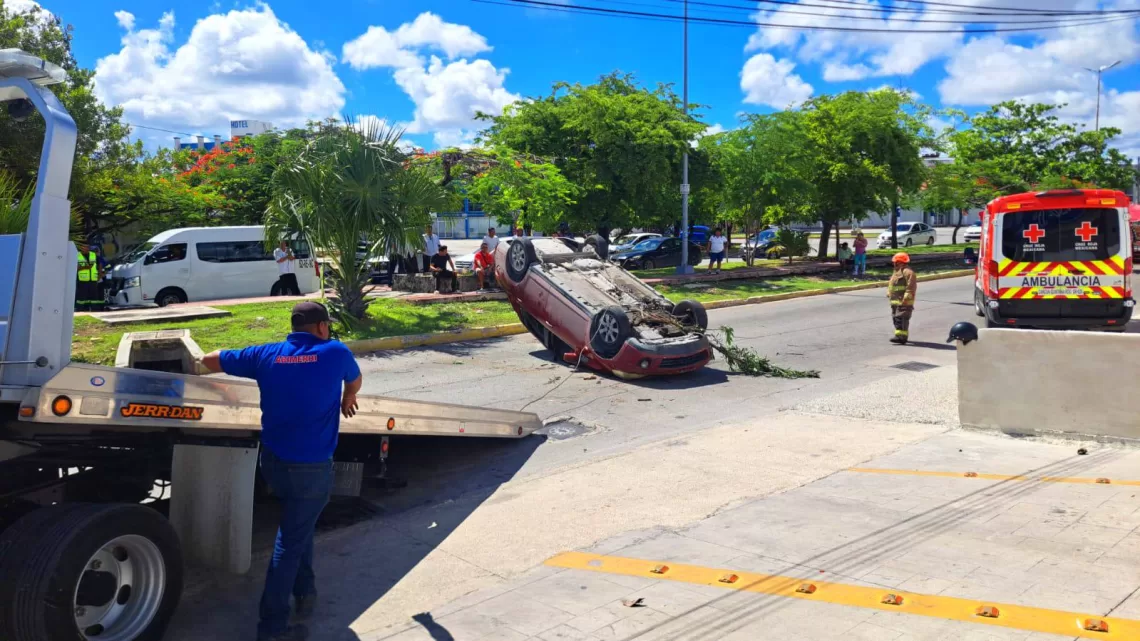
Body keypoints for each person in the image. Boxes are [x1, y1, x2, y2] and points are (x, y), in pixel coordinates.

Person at [199, 302, 363, 641]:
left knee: (298, 526)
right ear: (320, 328)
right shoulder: (334, 352)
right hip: (311, 467)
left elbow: (210, 359)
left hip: (273, 463)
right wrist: (348, 397)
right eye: (327, 326)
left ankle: (306, 592)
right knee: (290, 540)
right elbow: (356, 379)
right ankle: (272, 627)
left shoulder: (266, 354)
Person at [888, 252, 917, 344]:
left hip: (904, 301)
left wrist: (907, 297)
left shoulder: (908, 272)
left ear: (900, 262)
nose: (894, 263)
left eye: (896, 262)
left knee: (901, 318)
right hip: (896, 301)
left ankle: (901, 337)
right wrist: (889, 292)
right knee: (896, 319)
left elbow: (911, 286)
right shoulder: (896, 271)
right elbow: (892, 285)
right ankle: (900, 336)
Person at [75, 243, 100, 310]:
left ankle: (95, 310)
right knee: (81, 297)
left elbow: (99, 266)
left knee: (94, 297)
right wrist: (85, 267)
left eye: (87, 247)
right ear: (80, 248)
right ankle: (80, 310)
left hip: (93, 280)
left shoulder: (93, 255)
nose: (86, 248)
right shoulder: (77, 255)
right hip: (82, 280)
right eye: (84, 247)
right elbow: (74, 268)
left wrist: (99, 276)